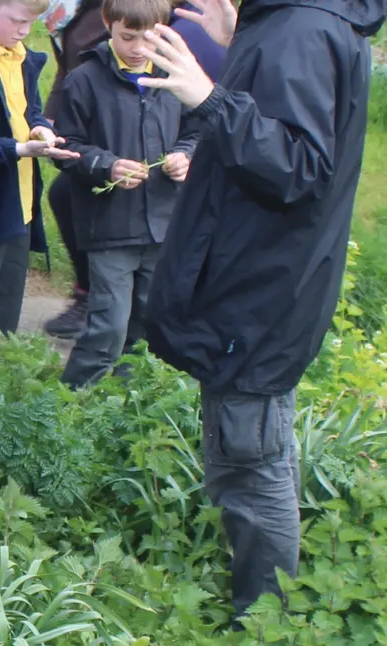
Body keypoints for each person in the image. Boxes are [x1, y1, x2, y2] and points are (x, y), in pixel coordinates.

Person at [137, 0, 384, 620]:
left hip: (258, 289)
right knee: (251, 445)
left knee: (251, 461)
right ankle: (264, 603)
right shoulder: (295, 23)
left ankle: (265, 619)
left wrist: (209, 98)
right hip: (263, 277)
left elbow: (299, 166)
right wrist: (240, 37)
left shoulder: (301, 29)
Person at [53, 0, 197, 389]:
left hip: (164, 225)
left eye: (147, 39)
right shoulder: (83, 80)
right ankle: (71, 404)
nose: (136, 49)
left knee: (149, 325)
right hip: (110, 226)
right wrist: (107, 165)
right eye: (126, 37)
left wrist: (186, 154)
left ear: (164, 28)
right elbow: (67, 150)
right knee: (109, 327)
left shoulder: (177, 77)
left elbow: (200, 127)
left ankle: (126, 404)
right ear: (108, 24)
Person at [0, 0, 77, 337]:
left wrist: (40, 128)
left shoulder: (22, 54)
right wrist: (19, 148)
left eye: (32, 23)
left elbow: (31, 111)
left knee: (6, 317)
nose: (24, 31)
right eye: (16, 21)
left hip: (19, 208)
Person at [40, 0, 108, 340]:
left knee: (71, 196)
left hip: (118, 118)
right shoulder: (72, 9)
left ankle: (102, 304)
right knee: (65, 196)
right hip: (84, 113)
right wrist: (51, 114)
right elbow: (67, 65)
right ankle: (89, 294)